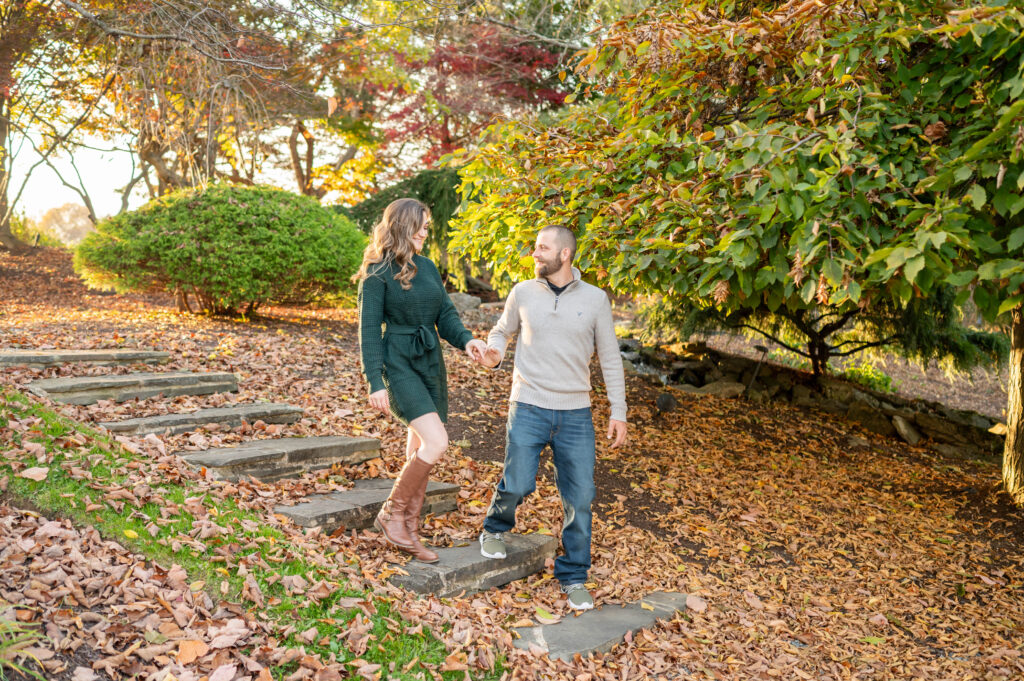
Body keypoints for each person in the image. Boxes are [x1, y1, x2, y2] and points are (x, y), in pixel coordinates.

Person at [476, 225, 628, 611]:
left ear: (565, 254)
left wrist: (618, 411)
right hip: (527, 404)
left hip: (576, 414)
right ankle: (495, 527)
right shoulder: (522, 292)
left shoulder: (595, 299)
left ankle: (574, 575)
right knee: (519, 482)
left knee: (580, 498)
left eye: (542, 248)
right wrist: (493, 354)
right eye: (535, 247)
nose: (535, 254)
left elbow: (610, 357)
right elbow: (501, 332)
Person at [356, 198, 487, 563]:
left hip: (430, 361)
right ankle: (392, 516)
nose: (426, 233)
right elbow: (368, 332)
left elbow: (445, 315)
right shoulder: (376, 272)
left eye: (428, 227)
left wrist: (468, 340)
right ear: (403, 225)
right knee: (437, 441)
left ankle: (408, 531)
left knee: (419, 447)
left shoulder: (428, 268)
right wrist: (375, 381)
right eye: (422, 226)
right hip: (397, 363)